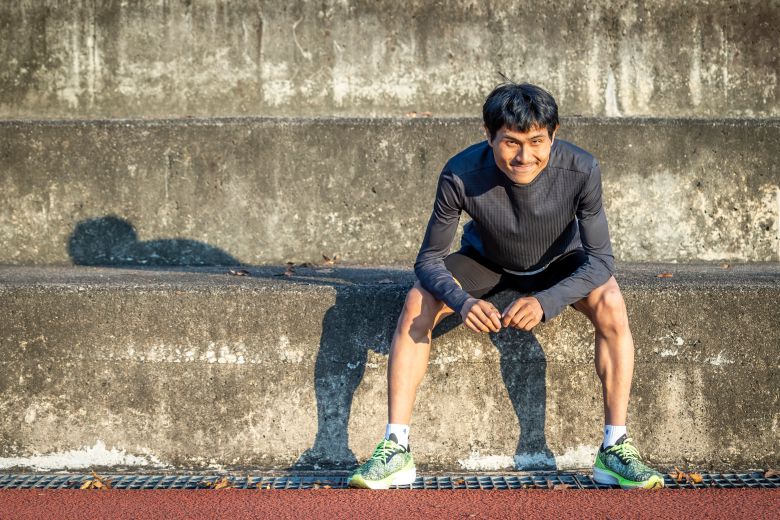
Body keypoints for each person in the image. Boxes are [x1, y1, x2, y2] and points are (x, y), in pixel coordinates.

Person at [347, 83, 664, 490]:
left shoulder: (582, 169)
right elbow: (428, 260)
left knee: (612, 301)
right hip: (486, 264)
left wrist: (546, 301)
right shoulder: (460, 173)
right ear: (488, 134)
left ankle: (615, 448)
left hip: (558, 264)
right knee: (417, 300)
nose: (524, 156)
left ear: (554, 134)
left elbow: (601, 261)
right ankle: (396, 447)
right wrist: (460, 302)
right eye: (511, 143)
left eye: (536, 142)